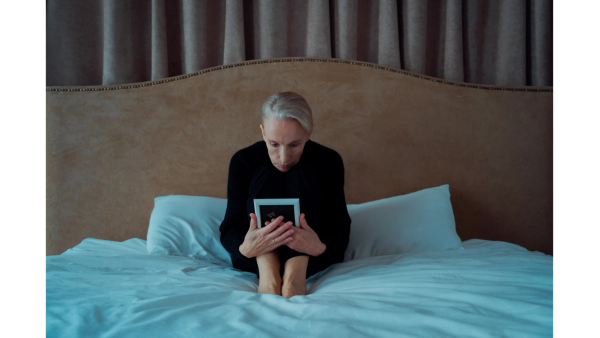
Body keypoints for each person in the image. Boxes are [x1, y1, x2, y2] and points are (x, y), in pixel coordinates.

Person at [219, 91, 351, 298]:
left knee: (302, 173)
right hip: (255, 256)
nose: (283, 158)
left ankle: (294, 278)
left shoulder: (328, 161)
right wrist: (246, 247)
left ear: (308, 133)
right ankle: (268, 273)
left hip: (311, 256)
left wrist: (318, 247)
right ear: (263, 133)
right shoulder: (243, 161)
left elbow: (340, 226)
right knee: (265, 174)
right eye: (274, 144)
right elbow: (230, 227)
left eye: (294, 145)